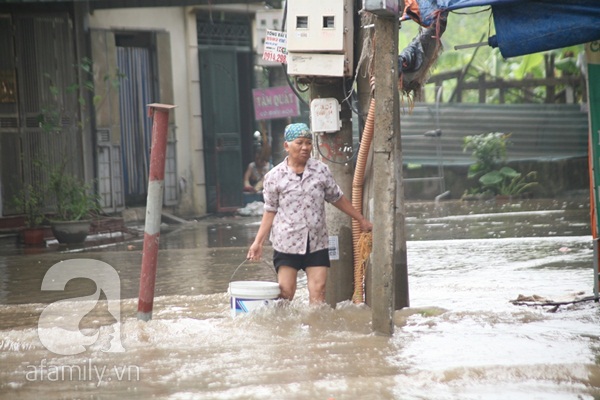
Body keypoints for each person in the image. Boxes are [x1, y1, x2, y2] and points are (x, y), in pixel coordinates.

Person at [246, 123, 373, 305]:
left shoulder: (321, 171)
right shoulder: (274, 177)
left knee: (319, 291)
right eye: (299, 143)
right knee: (286, 293)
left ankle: (316, 330)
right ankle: (285, 330)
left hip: (317, 242)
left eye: (308, 143)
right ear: (287, 146)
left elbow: (337, 198)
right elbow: (270, 210)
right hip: (287, 243)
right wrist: (258, 242)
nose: (305, 147)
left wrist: (361, 219)